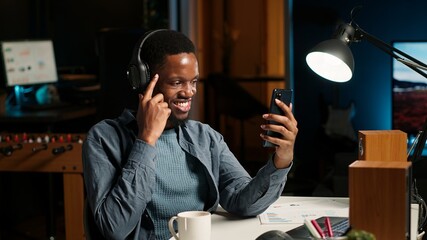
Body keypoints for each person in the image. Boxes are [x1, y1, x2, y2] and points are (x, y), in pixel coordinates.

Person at [82, 29, 298, 240]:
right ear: (143, 81)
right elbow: (114, 228)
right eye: (177, 83)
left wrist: (281, 160)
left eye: (193, 81)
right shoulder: (103, 139)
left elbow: (244, 202)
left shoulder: (205, 137)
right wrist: (146, 140)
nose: (189, 92)